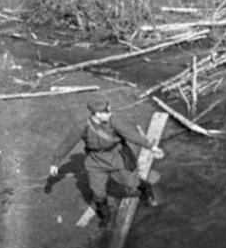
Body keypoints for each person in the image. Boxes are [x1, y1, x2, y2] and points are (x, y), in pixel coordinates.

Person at [49, 97, 165, 228]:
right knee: (98, 192)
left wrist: (151, 147)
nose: (110, 113)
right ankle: (106, 217)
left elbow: (131, 134)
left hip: (116, 156)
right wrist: (56, 161)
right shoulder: (83, 126)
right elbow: (67, 143)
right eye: (107, 112)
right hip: (95, 161)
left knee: (130, 182)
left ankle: (145, 188)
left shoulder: (113, 120)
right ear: (97, 114)